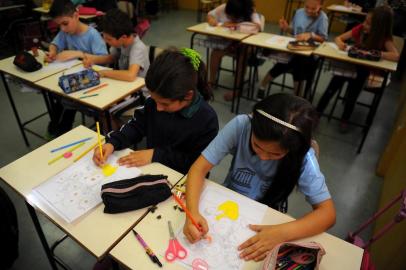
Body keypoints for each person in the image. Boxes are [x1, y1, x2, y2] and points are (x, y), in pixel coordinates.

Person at [183, 93, 336, 261]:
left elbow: (327, 214)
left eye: (275, 154)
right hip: (228, 203)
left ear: (292, 149)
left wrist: (281, 233)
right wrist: (192, 212)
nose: (263, 157)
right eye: (256, 145)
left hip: (268, 217)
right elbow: (199, 168)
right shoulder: (242, 126)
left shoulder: (304, 156)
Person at [92, 49, 219, 174]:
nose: (158, 108)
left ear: (188, 96)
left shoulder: (207, 120)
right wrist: (113, 143)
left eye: (165, 104)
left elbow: (195, 163)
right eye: (154, 99)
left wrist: (156, 154)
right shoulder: (155, 102)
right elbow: (137, 126)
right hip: (154, 169)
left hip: (183, 179)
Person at [316, 5, 399, 131]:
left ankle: (345, 119)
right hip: (348, 65)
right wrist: (340, 44)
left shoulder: (384, 38)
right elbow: (339, 38)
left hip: (363, 70)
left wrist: (375, 53)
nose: (364, 25)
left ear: (380, 28)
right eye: (365, 21)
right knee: (332, 87)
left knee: (352, 95)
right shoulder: (360, 28)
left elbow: (395, 56)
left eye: (369, 24)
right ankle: (317, 113)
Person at [45, 0, 108, 137]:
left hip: (93, 82)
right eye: (59, 25)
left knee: (66, 101)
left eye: (65, 23)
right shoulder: (65, 32)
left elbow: (104, 59)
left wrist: (80, 54)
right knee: (61, 99)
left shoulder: (92, 35)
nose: (62, 28)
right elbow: (55, 44)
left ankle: (61, 132)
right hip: (74, 81)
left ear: (76, 15)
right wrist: (53, 51)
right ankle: (59, 133)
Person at [257, 0, 328, 99]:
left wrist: (311, 35)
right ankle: (296, 97)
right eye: (307, 7)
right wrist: (286, 28)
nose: (309, 10)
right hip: (294, 49)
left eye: (313, 8)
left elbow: (323, 39)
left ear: (320, 6)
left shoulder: (322, 18)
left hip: (310, 54)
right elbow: (293, 31)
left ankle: (264, 86)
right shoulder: (299, 12)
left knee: (294, 64)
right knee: (289, 62)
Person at [206, 0, 261, 101]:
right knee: (216, 52)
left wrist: (235, 25)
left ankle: (237, 89)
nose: (229, 17)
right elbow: (210, 14)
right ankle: (211, 82)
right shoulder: (225, 7)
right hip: (231, 44)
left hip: (246, 46)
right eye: (228, 15)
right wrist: (212, 20)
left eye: (232, 16)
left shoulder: (250, 12)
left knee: (242, 55)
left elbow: (258, 26)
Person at [82, 8, 149, 82]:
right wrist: (93, 60)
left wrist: (104, 73)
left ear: (123, 37)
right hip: (124, 84)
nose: (105, 42)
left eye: (109, 39)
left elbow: (131, 75)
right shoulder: (120, 43)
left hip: (139, 90)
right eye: (104, 37)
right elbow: (111, 58)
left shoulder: (137, 47)